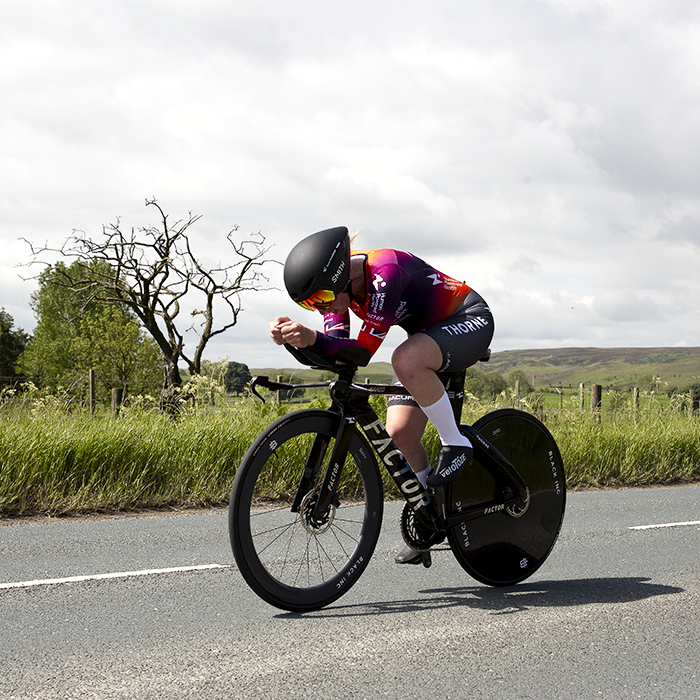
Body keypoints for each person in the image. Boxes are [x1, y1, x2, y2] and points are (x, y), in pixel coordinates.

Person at [269, 227, 494, 564]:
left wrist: (312, 337)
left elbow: (361, 352)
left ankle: (456, 441)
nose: (320, 309)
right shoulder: (339, 295)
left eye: (321, 300)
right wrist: (296, 340)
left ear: (341, 277)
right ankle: (429, 515)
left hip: (468, 319)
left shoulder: (384, 274)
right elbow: (339, 354)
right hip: (430, 337)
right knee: (399, 434)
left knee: (404, 358)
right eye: (310, 304)